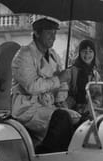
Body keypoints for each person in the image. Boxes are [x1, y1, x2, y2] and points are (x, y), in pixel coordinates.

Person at [10, 17, 79, 153]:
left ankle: (73, 157)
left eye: (54, 33)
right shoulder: (23, 55)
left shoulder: (54, 55)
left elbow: (61, 85)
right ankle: (45, 155)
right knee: (61, 119)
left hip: (49, 106)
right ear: (36, 33)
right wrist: (58, 79)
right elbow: (32, 86)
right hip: (27, 108)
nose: (53, 37)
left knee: (80, 119)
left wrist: (61, 100)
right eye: (49, 33)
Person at [66, 39, 101, 113]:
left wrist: (91, 107)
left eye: (90, 51)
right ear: (79, 53)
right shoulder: (71, 71)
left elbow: (98, 97)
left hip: (89, 111)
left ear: (94, 54)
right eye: (84, 51)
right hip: (71, 111)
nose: (87, 55)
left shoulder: (95, 75)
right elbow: (65, 93)